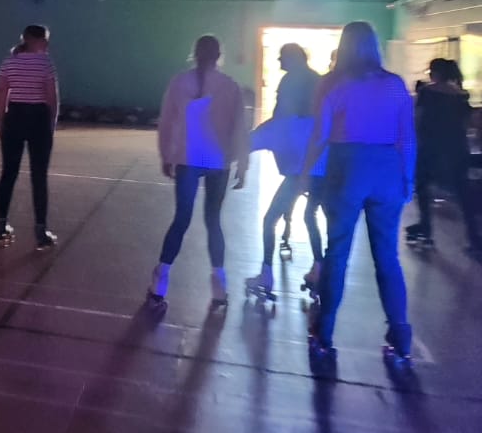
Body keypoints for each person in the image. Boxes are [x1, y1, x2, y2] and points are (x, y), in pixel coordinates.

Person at [301, 21, 416, 366]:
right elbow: (407, 137)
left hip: (347, 167)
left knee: (337, 255)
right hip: (387, 170)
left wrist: (307, 171)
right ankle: (400, 341)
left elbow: (319, 133)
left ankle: (324, 335)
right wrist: (407, 179)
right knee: (388, 257)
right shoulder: (395, 84)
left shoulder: (333, 83)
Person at [149, 35, 248, 308]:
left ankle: (161, 281)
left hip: (187, 158)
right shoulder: (230, 85)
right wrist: (243, 161)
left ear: (194, 54)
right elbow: (239, 125)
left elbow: (167, 121)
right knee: (213, 221)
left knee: (181, 219)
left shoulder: (179, 82)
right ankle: (219, 284)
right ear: (219, 55)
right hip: (219, 161)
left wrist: (166, 154)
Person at [246, 45, 324, 298]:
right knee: (311, 216)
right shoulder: (319, 83)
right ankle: (319, 268)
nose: (279, 60)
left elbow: (275, 122)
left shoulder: (290, 87)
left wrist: (244, 143)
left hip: (298, 170)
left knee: (270, 220)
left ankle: (266, 275)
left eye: (282, 57)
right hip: (322, 168)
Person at [406, 58, 482, 253]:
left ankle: (426, 229)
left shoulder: (427, 92)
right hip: (457, 149)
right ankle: (475, 237)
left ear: (435, 72)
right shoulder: (460, 96)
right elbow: (468, 124)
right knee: (463, 194)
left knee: (423, 189)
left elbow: (418, 119)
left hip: (430, 148)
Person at [0, 25, 60, 249]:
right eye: (45, 40)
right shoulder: (45, 63)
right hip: (38, 118)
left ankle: (0, 226)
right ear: (36, 41)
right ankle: (41, 231)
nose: (48, 45)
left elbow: (2, 91)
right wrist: (51, 123)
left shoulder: (9, 61)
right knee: (39, 176)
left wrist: (2, 121)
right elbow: (52, 97)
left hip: (14, 117)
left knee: (8, 173)